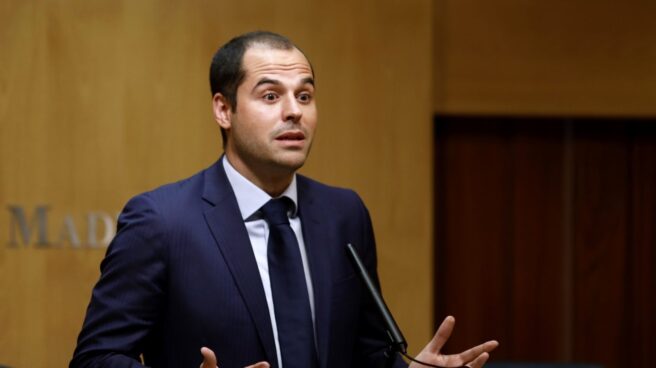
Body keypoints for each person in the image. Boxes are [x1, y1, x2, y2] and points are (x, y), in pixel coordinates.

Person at [70, 31, 498, 368]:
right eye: (271, 96)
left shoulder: (344, 215)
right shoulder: (161, 220)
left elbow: (364, 354)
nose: (294, 111)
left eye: (305, 96)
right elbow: (95, 359)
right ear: (224, 110)